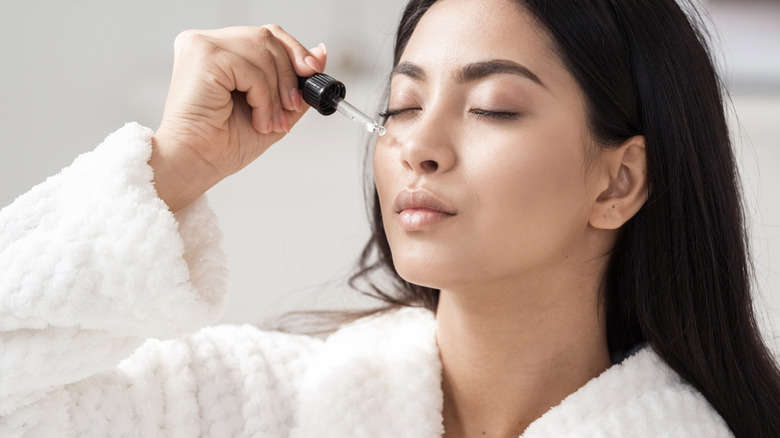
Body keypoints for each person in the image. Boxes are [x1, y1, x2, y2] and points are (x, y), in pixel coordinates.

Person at [1, 0, 779, 436]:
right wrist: (172, 168)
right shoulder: (251, 404)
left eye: (493, 108)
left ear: (621, 181)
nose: (418, 146)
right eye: (401, 105)